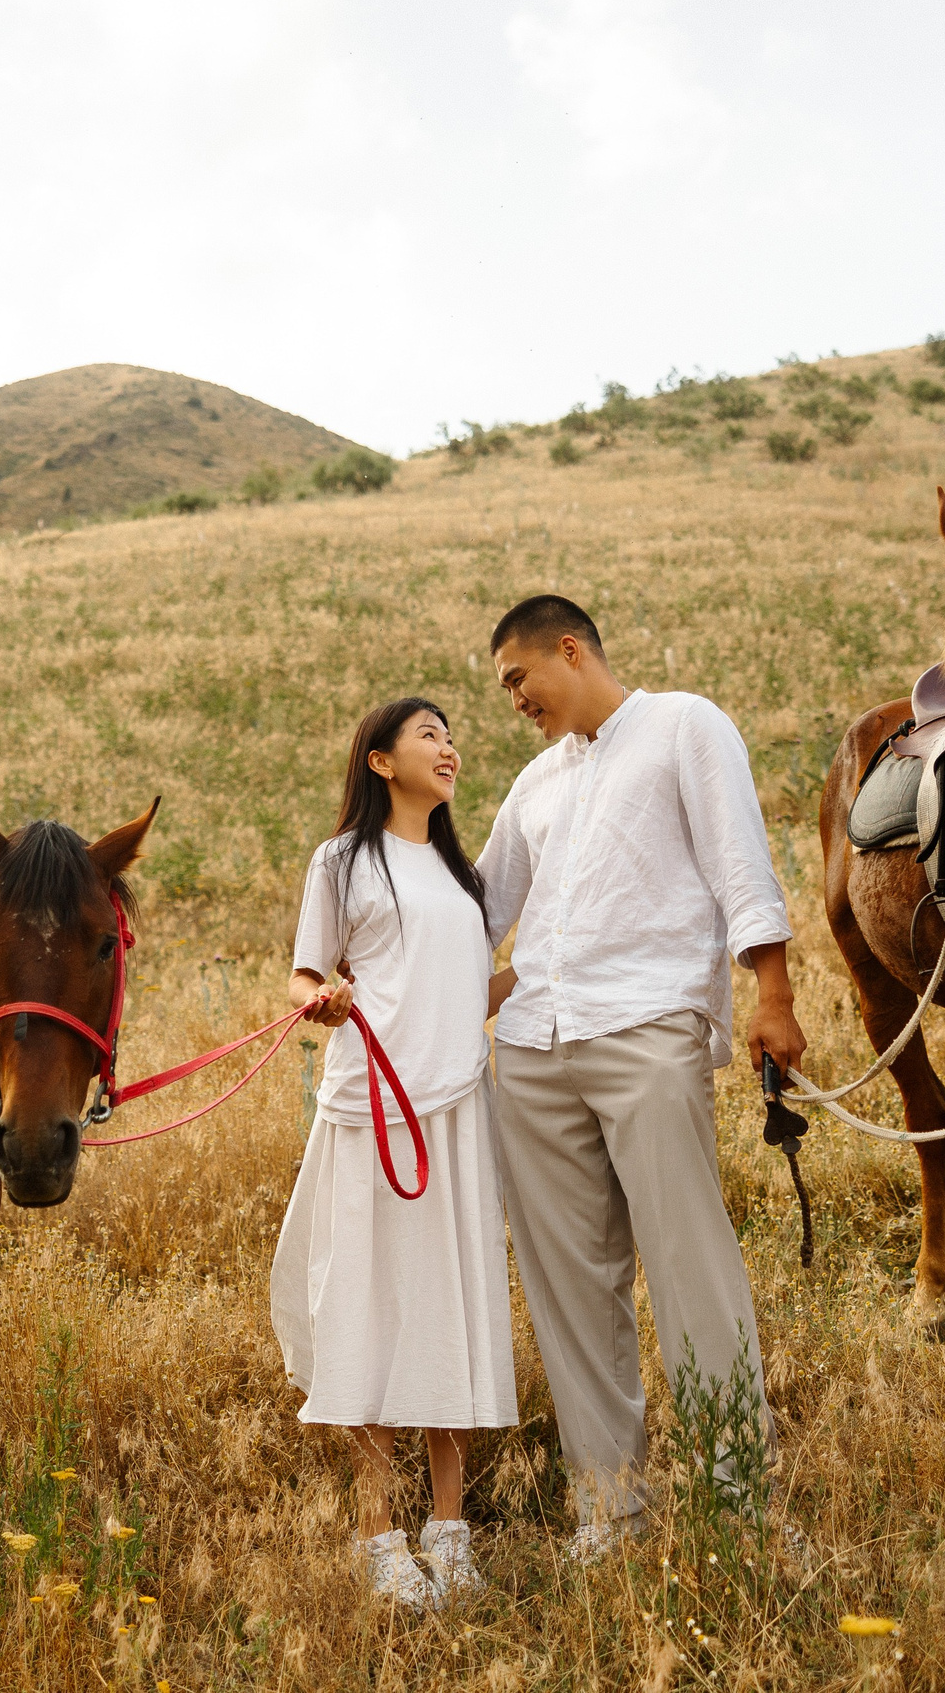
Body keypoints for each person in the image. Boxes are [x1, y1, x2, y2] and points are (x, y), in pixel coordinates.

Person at [478, 594, 806, 1555]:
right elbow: (480, 905)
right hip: (534, 1049)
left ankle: (736, 1499)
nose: (513, 702)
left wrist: (772, 996)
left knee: (690, 1262)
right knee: (571, 1286)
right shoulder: (535, 783)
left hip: (648, 1027)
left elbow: (741, 864)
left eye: (516, 679)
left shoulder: (684, 725)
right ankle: (610, 1507)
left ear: (568, 649)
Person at [270, 696, 518, 1608]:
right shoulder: (341, 861)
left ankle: (449, 1532)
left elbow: (464, 992)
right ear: (380, 762)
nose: (449, 748)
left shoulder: (463, 878)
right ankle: (379, 1536)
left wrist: (543, 966)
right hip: (369, 1109)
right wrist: (320, 995)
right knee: (369, 1310)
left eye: (452, 736)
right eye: (429, 735)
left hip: (454, 1112)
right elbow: (305, 968)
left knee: (448, 1307)